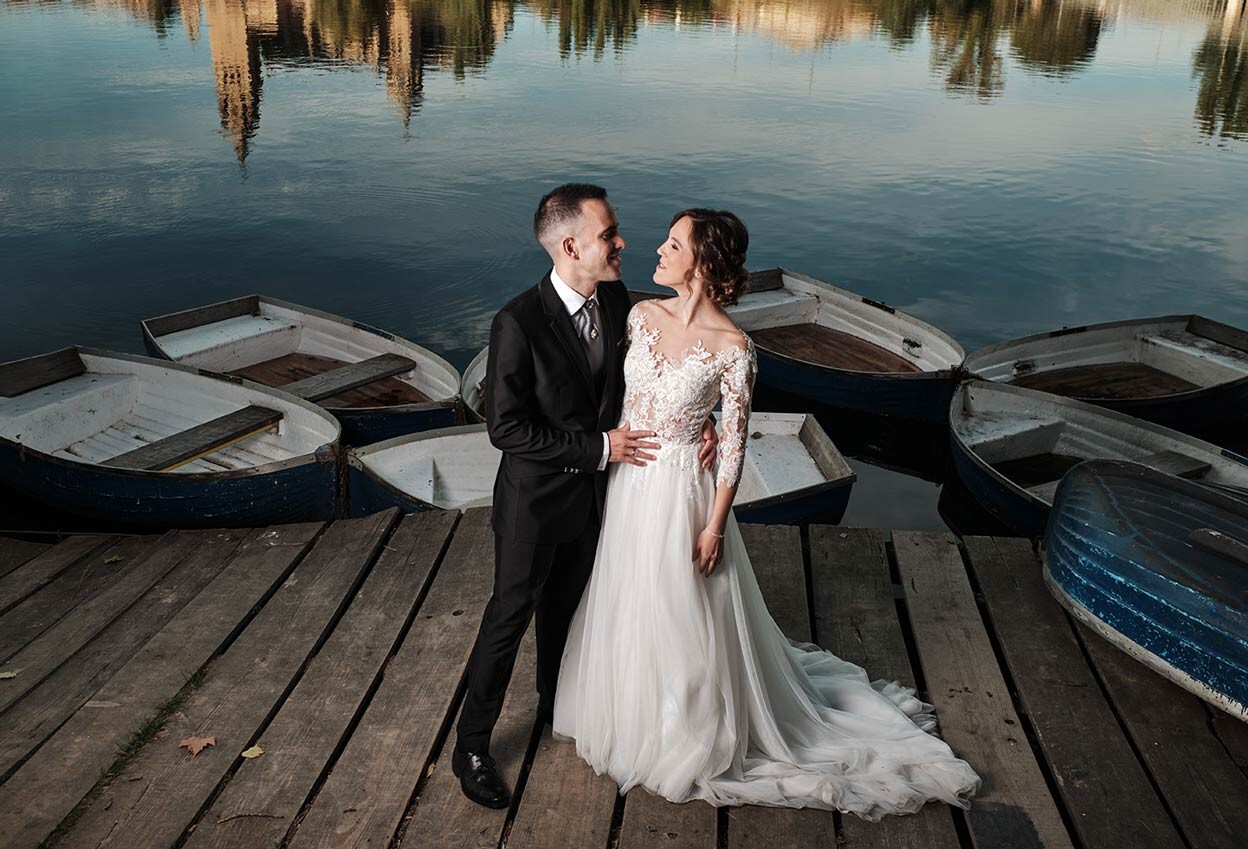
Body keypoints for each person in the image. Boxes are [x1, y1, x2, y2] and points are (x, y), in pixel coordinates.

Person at [553, 208, 982, 819]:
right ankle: (630, 709)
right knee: (629, 594)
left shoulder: (735, 349)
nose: (659, 249)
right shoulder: (639, 315)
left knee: (681, 608)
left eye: (673, 244)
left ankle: (684, 728)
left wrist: (713, 524)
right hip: (630, 483)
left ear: (700, 262)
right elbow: (615, 392)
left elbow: (731, 447)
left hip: (683, 493)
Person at [452, 184, 717, 809]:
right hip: (536, 504)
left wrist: (700, 417)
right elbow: (506, 428)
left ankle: (557, 706)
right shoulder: (516, 322)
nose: (622, 242)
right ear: (571, 246)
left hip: (602, 504)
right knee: (507, 618)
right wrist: (600, 449)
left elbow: (665, 368)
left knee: (569, 610)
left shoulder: (620, 298)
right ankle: (471, 746)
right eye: (610, 234)